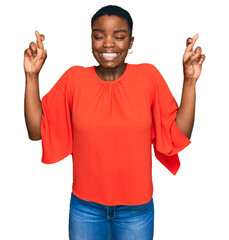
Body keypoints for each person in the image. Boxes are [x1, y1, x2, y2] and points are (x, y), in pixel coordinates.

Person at [24, 5, 205, 240]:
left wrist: (189, 81)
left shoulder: (148, 77)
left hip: (136, 211)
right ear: (91, 39)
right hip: (85, 209)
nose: (108, 44)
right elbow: (36, 131)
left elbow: (179, 133)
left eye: (119, 37)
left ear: (130, 42)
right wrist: (31, 75)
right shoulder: (74, 79)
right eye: (99, 36)